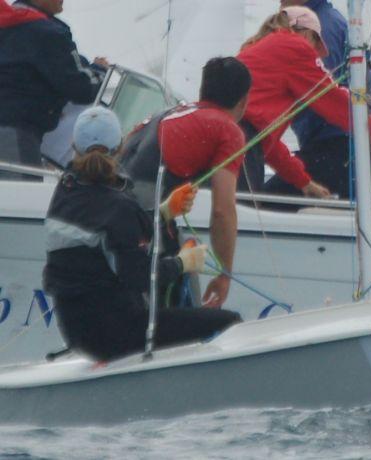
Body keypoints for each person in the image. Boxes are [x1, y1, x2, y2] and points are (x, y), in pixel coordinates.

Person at [43, 106, 241, 362]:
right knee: (229, 322)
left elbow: (112, 230)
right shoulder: (118, 204)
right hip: (113, 335)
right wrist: (183, 263)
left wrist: (164, 211)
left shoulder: (66, 191)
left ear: (74, 146)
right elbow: (139, 276)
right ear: (120, 147)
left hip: (76, 333)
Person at [120, 57, 252, 308]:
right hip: (143, 230)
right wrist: (224, 275)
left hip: (116, 218)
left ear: (202, 89)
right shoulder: (228, 130)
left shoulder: (165, 113)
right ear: (244, 101)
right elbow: (223, 210)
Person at [237, 6, 371, 199]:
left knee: (234, 207)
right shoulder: (294, 46)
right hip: (241, 142)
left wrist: (304, 182)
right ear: (307, 34)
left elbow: (268, 143)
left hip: (226, 135)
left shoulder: (256, 50)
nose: (317, 56)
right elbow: (332, 99)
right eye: (316, 45)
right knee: (239, 210)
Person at [274, 0, 371, 198]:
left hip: (341, 151)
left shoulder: (319, 29)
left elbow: (323, 95)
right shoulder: (323, 21)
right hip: (349, 147)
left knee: (256, 201)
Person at [0, 0, 106, 177]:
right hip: (15, 139)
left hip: (14, 135)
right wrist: (101, 72)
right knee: (21, 194)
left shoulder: (9, 25)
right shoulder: (45, 32)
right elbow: (82, 87)